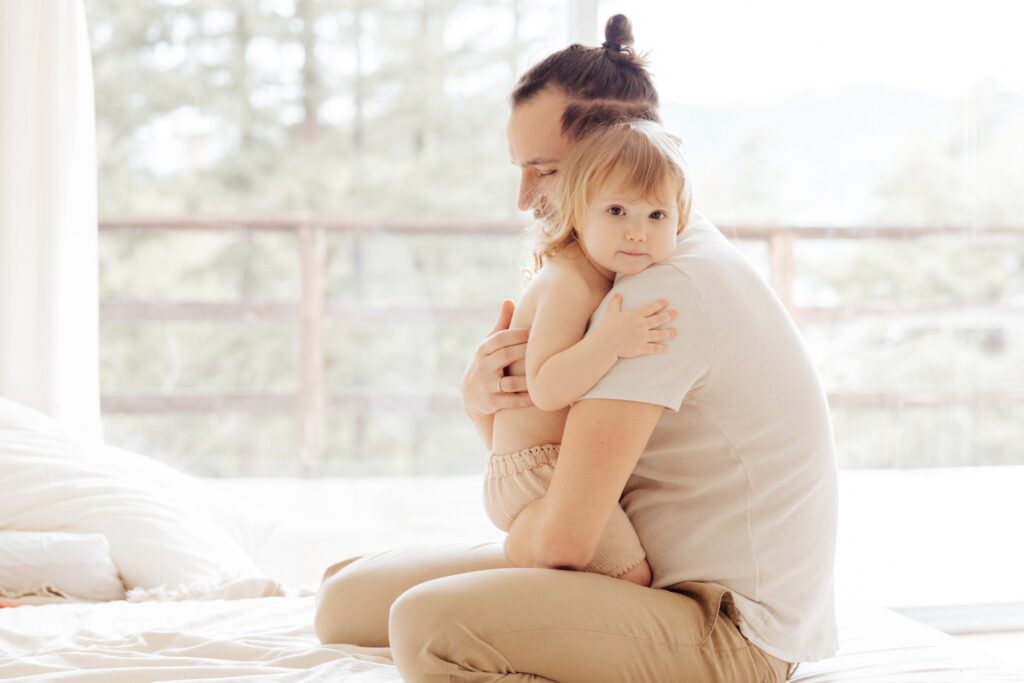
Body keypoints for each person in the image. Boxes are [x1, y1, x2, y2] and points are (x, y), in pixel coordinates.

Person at [315, 14, 838, 683]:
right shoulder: (618, 266)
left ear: (614, 155)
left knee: (427, 624)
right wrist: (487, 405)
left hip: (727, 628)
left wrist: (519, 550)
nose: (524, 197)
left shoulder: (658, 292)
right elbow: (553, 474)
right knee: (344, 598)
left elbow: (564, 538)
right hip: (624, 565)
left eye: (544, 170)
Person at [483, 119, 695, 588]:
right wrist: (610, 343)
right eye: (617, 211)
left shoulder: (597, 274)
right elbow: (546, 386)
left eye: (656, 216)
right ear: (579, 212)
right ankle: (523, 563)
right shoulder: (570, 281)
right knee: (632, 577)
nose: (637, 232)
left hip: (537, 464)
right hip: (536, 470)